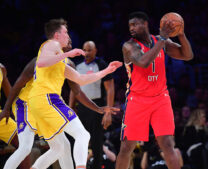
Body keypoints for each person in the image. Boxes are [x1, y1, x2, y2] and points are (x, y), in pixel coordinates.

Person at [0, 40, 120, 169]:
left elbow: (78, 91)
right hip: (25, 104)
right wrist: (7, 108)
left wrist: (97, 108)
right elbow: (18, 83)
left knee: (62, 147)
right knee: (25, 147)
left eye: (70, 43)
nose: (69, 45)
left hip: (45, 106)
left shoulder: (69, 64)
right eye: (65, 42)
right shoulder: (41, 60)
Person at [24, 18, 122, 169]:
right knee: (83, 135)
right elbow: (41, 62)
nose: (68, 36)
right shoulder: (52, 44)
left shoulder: (59, 62)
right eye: (66, 32)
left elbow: (81, 79)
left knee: (59, 148)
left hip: (38, 103)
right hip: (47, 99)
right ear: (57, 35)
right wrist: (68, 53)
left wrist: (107, 70)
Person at [116, 12, 193, 169]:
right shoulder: (129, 46)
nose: (131, 28)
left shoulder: (160, 40)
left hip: (160, 99)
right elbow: (143, 62)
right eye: (130, 25)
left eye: (135, 24)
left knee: (167, 145)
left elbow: (187, 55)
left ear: (145, 24)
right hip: (137, 100)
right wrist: (163, 39)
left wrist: (181, 34)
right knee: (126, 147)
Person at [69, 41, 115, 169]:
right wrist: (70, 107)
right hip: (81, 108)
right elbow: (74, 89)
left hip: (97, 107)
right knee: (78, 140)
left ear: (95, 51)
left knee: (96, 142)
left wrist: (108, 113)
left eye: (89, 50)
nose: (87, 53)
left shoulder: (101, 65)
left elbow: (110, 89)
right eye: (84, 50)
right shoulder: (77, 67)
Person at [0, 63, 31, 169]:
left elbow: (10, 95)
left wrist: (7, 110)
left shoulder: (1, 69)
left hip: (1, 117)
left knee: (25, 143)